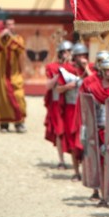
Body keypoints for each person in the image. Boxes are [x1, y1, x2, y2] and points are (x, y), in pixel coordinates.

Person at [79, 57, 109, 203]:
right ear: (102, 71)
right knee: (96, 160)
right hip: (97, 130)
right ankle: (97, 190)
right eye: (107, 70)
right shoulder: (94, 87)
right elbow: (86, 108)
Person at [0, 18, 27, 133]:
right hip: (1, 74)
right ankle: (4, 124)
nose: (10, 27)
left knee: (19, 96)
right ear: (4, 26)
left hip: (14, 73)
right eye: (8, 25)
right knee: (3, 98)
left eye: (12, 24)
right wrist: (1, 37)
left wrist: (11, 38)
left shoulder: (18, 38)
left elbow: (20, 48)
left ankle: (19, 122)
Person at [57, 42, 90, 181]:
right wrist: (66, 87)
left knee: (87, 140)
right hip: (71, 109)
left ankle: (88, 171)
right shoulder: (66, 69)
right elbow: (58, 89)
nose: (82, 58)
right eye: (79, 56)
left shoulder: (90, 69)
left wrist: (86, 67)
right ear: (75, 57)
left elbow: (95, 81)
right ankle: (76, 172)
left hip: (86, 109)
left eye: (84, 55)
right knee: (73, 141)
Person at [44, 40, 73, 169]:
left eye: (69, 52)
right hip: (57, 103)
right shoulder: (52, 67)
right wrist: (58, 75)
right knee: (59, 132)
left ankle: (76, 159)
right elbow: (48, 86)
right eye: (64, 52)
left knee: (73, 131)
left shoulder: (76, 67)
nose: (67, 54)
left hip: (72, 103)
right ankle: (61, 160)